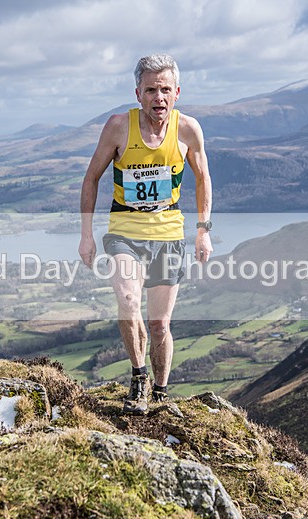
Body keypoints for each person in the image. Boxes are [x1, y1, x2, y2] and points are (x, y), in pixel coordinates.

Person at [79, 53, 213, 414]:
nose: (159, 97)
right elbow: (91, 177)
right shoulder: (119, 126)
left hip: (169, 232)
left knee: (159, 324)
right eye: (151, 90)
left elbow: (203, 178)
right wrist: (87, 234)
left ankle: (161, 392)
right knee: (126, 300)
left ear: (177, 92)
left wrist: (203, 230)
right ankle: (139, 378)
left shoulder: (188, 130)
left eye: (165, 89)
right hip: (124, 229)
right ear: (137, 93)